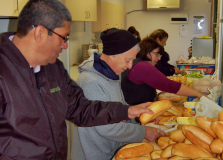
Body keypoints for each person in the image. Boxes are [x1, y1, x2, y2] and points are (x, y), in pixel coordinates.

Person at [0, 1, 154, 159]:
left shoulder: (53, 69)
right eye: (64, 37)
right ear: (40, 33)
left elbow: (82, 109)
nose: (66, 45)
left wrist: (125, 111)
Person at [71, 28, 166, 160]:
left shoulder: (113, 74)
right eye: (128, 60)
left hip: (112, 151)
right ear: (113, 55)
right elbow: (107, 127)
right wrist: (142, 132)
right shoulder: (91, 83)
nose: (130, 66)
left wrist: (138, 114)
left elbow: (118, 108)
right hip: (95, 155)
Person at [121, 37, 207, 105]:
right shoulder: (142, 66)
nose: (159, 58)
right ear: (147, 52)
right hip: (134, 114)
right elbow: (169, 85)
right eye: (157, 54)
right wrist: (198, 94)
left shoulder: (139, 63)